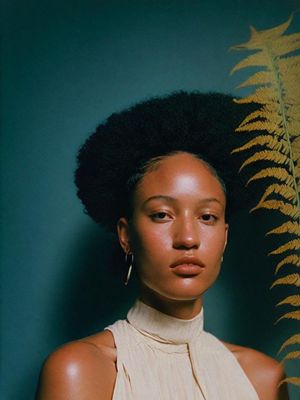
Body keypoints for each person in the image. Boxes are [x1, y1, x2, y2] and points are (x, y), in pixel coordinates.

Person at [36, 92, 289, 400]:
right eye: (161, 215)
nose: (187, 238)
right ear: (125, 235)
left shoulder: (264, 380)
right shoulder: (78, 370)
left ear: (225, 236)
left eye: (207, 216)